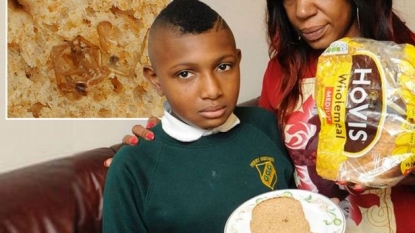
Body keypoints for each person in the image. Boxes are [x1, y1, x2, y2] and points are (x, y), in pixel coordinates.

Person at [110, 0, 415, 232]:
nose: (302, 11)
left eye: (224, 67)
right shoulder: (282, 72)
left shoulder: (406, 59)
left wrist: (400, 168)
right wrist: (153, 147)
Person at [102, 0, 294, 232]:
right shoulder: (132, 166)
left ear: (238, 60)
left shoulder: (264, 124)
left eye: (223, 67)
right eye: (185, 74)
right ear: (155, 79)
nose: (212, 90)